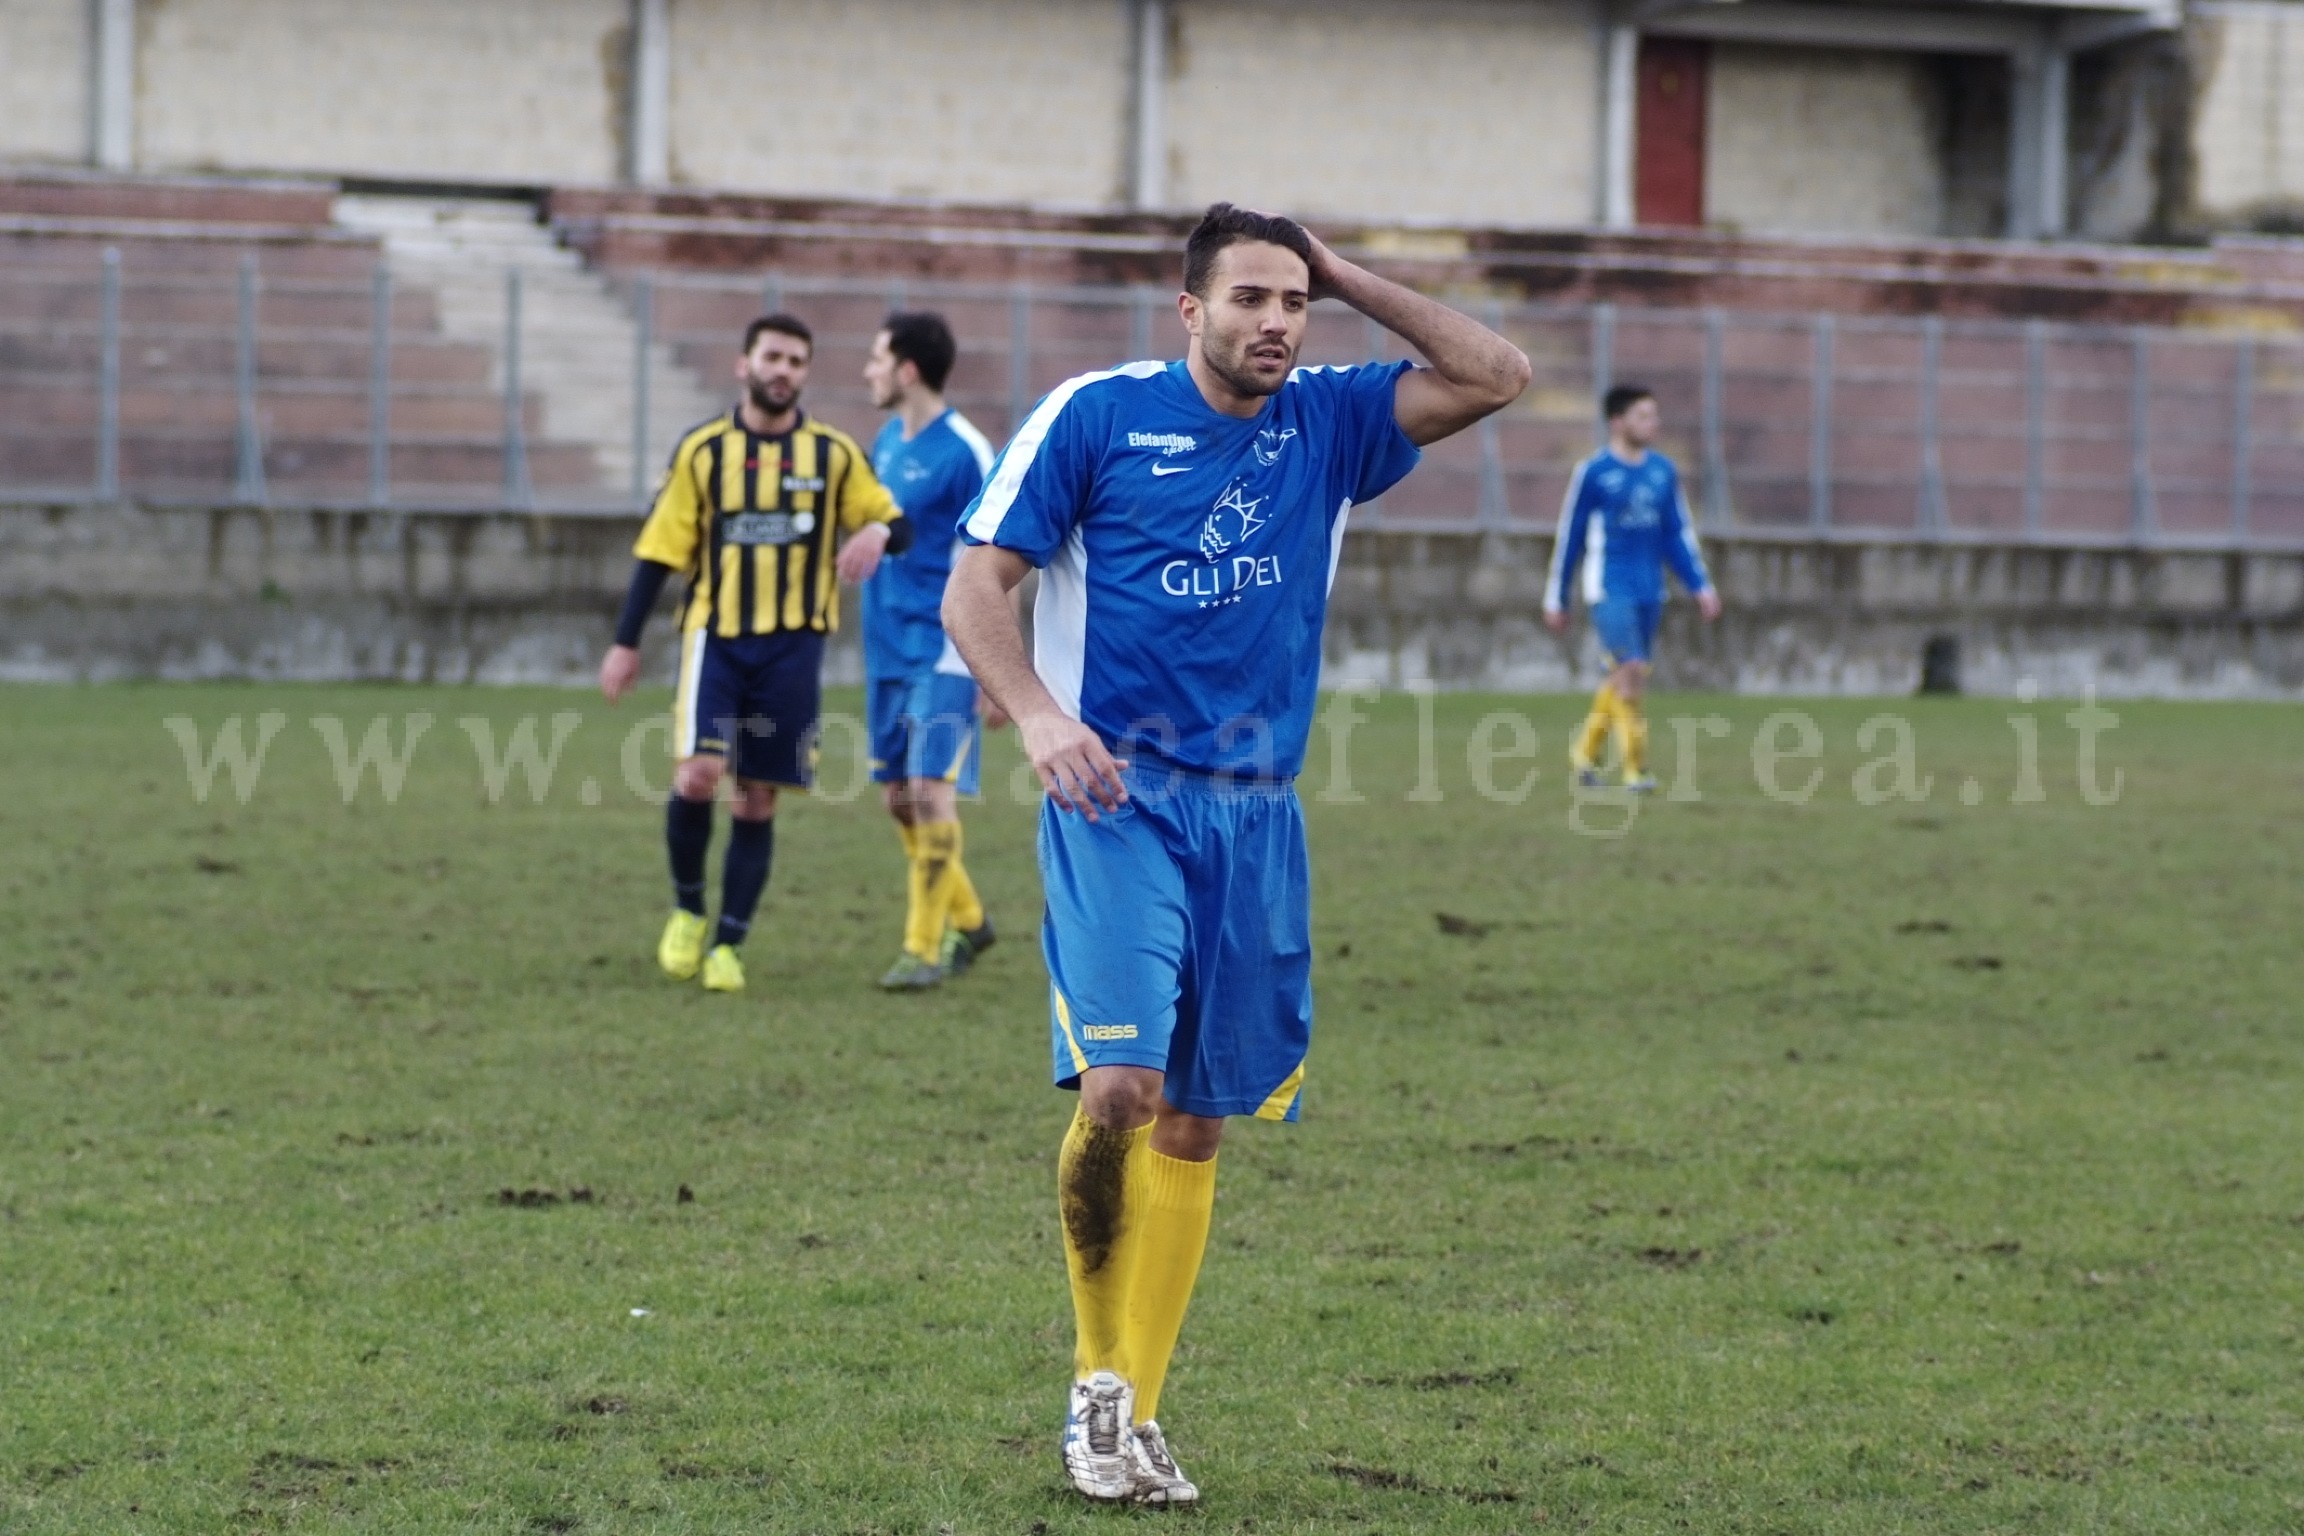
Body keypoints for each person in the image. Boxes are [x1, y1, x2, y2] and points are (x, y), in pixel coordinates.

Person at [943, 203, 1529, 1506]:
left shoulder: (1332, 422)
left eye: (1292, 301)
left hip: (1258, 813)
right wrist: (1039, 716)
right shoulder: (1097, 416)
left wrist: (1348, 274)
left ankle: (1138, 1414)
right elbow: (976, 586)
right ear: (1188, 309)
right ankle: (1098, 1391)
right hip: (1117, 798)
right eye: (1250, 299)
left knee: (1199, 1128)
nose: (1275, 323)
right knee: (1121, 1092)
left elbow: (1498, 375)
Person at [599, 313, 911, 994]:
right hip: (717, 638)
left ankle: (729, 944)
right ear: (744, 365)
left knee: (757, 797)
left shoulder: (832, 455)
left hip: (794, 648)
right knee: (699, 777)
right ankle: (687, 908)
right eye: (772, 357)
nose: (783, 370)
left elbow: (896, 520)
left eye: (797, 361)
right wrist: (624, 643)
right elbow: (658, 553)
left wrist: (879, 535)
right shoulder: (703, 452)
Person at [860, 311, 1000, 991]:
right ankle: (972, 920)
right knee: (896, 799)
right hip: (887, 645)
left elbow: (1006, 551)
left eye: (877, 358)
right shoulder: (886, 439)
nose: (869, 371)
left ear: (907, 369)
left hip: (946, 646)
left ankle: (922, 949)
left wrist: (1001, 667)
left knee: (928, 791)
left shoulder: (966, 450)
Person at [1543, 384, 1722, 793]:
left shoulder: (1663, 471)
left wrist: (1701, 586)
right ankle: (1635, 770)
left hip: (1649, 590)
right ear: (1617, 422)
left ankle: (1584, 755)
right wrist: (1556, 595)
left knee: (1626, 674)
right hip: (1608, 588)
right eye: (1643, 416)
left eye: (1654, 416)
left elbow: (1676, 534)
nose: (1652, 423)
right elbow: (1570, 536)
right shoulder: (1593, 472)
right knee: (1629, 672)